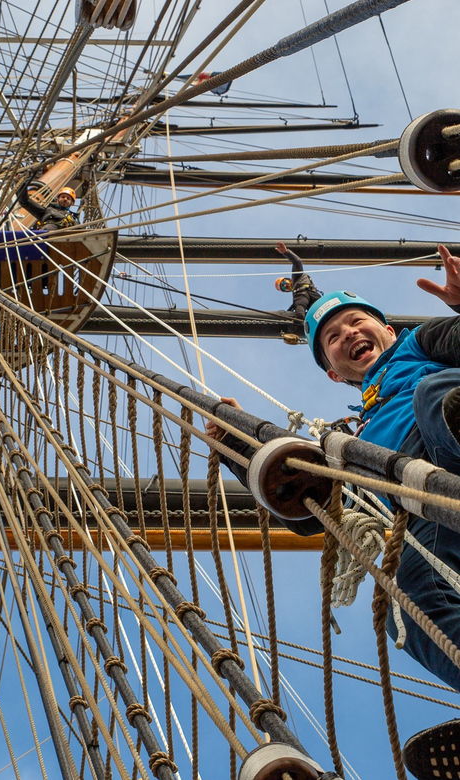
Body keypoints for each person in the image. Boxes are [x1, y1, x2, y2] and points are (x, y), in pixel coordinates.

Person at [207, 243, 460, 779]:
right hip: (426, 512)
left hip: (446, 444)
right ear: (334, 374)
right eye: (332, 338)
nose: (348, 334)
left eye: (356, 321)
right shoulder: (346, 441)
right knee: (405, 604)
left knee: (436, 392)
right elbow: (306, 510)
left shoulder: (421, 345)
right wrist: (239, 449)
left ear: (386, 330)